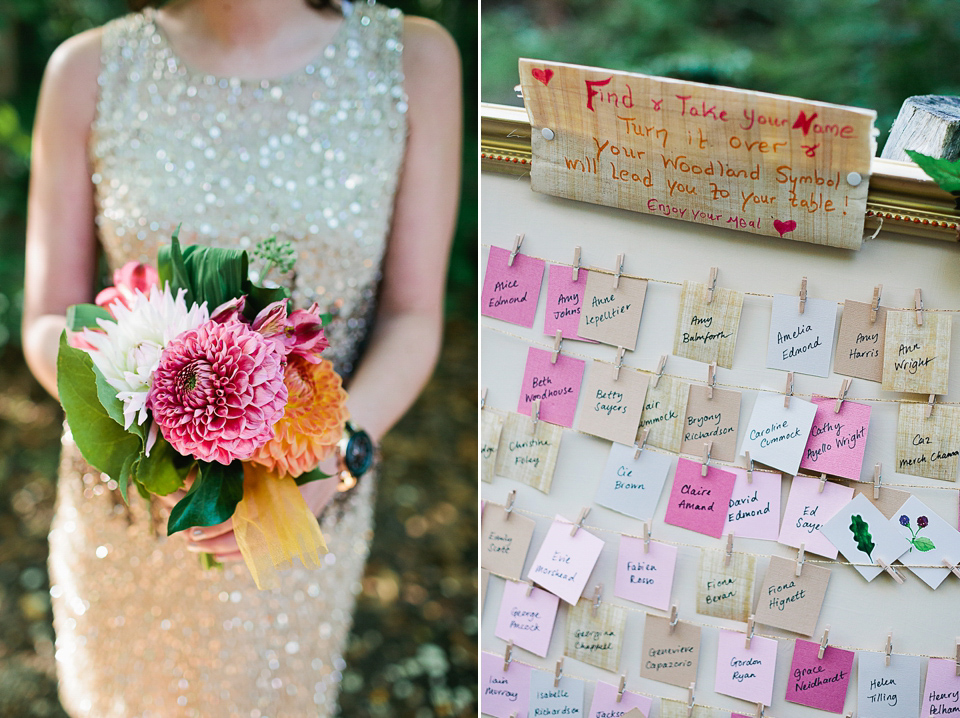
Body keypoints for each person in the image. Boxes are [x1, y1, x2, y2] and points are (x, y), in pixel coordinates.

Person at [21, 0, 461, 714]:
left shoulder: (414, 59)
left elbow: (413, 316)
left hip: (311, 500)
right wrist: (140, 429)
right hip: (133, 504)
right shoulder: (87, 70)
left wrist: (336, 457)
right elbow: (46, 318)